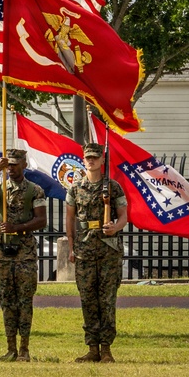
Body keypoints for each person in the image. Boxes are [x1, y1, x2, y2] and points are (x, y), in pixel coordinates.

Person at [0, 148, 47, 362]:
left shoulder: (35, 191)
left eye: (15, 164)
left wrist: (17, 227)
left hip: (25, 253)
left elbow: (41, 220)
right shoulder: (1, 188)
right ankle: (11, 347)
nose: (11, 168)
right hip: (3, 253)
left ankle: (24, 348)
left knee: (24, 301)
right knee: (7, 301)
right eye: (8, 165)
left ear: (24, 165)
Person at [65, 143, 128, 363]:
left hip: (108, 250)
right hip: (84, 249)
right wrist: (71, 246)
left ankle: (106, 348)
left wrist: (115, 227)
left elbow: (123, 217)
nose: (91, 161)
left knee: (107, 300)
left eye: (95, 157)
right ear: (83, 160)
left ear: (102, 160)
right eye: (88, 157)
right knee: (88, 300)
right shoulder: (75, 188)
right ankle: (92, 348)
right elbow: (70, 218)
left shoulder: (112, 187)